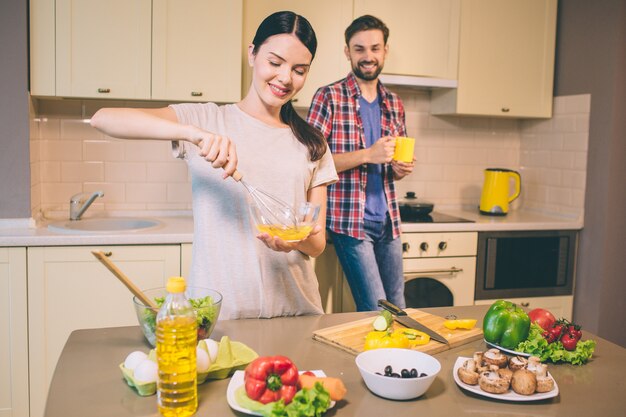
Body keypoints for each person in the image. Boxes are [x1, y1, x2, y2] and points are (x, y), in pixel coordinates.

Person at [90, 11, 338, 320]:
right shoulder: (206, 119)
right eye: (275, 63)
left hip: (296, 310)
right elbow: (104, 118)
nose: (286, 78)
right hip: (221, 314)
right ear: (252, 54)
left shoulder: (312, 142)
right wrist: (193, 134)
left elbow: (317, 244)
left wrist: (294, 239)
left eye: (299, 70)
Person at [307, 15, 414, 311]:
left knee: (399, 308)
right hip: (350, 222)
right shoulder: (328, 97)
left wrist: (400, 168)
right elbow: (309, 162)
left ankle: (402, 359)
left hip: (388, 221)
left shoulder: (394, 102)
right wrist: (367, 154)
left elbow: (393, 165)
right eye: (359, 49)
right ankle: (379, 359)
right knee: (378, 310)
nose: (368, 56)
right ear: (347, 52)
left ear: (385, 51)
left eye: (375, 48)